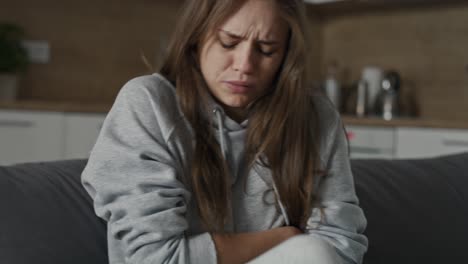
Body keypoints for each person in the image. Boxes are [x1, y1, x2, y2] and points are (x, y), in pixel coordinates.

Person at [81, 0, 368, 263]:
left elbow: (340, 246)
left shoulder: (316, 118)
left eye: (267, 49)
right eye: (228, 43)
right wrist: (285, 236)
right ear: (196, 38)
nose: (244, 65)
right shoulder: (148, 103)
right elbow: (156, 259)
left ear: (286, 56)